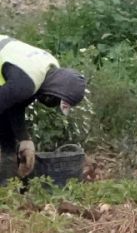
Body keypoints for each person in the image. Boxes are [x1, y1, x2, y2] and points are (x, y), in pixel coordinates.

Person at [0, 36, 88, 179]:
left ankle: (5, 180)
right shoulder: (25, 84)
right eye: (54, 101)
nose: (50, 105)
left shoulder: (47, 68)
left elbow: (12, 104)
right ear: (54, 92)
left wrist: (24, 140)